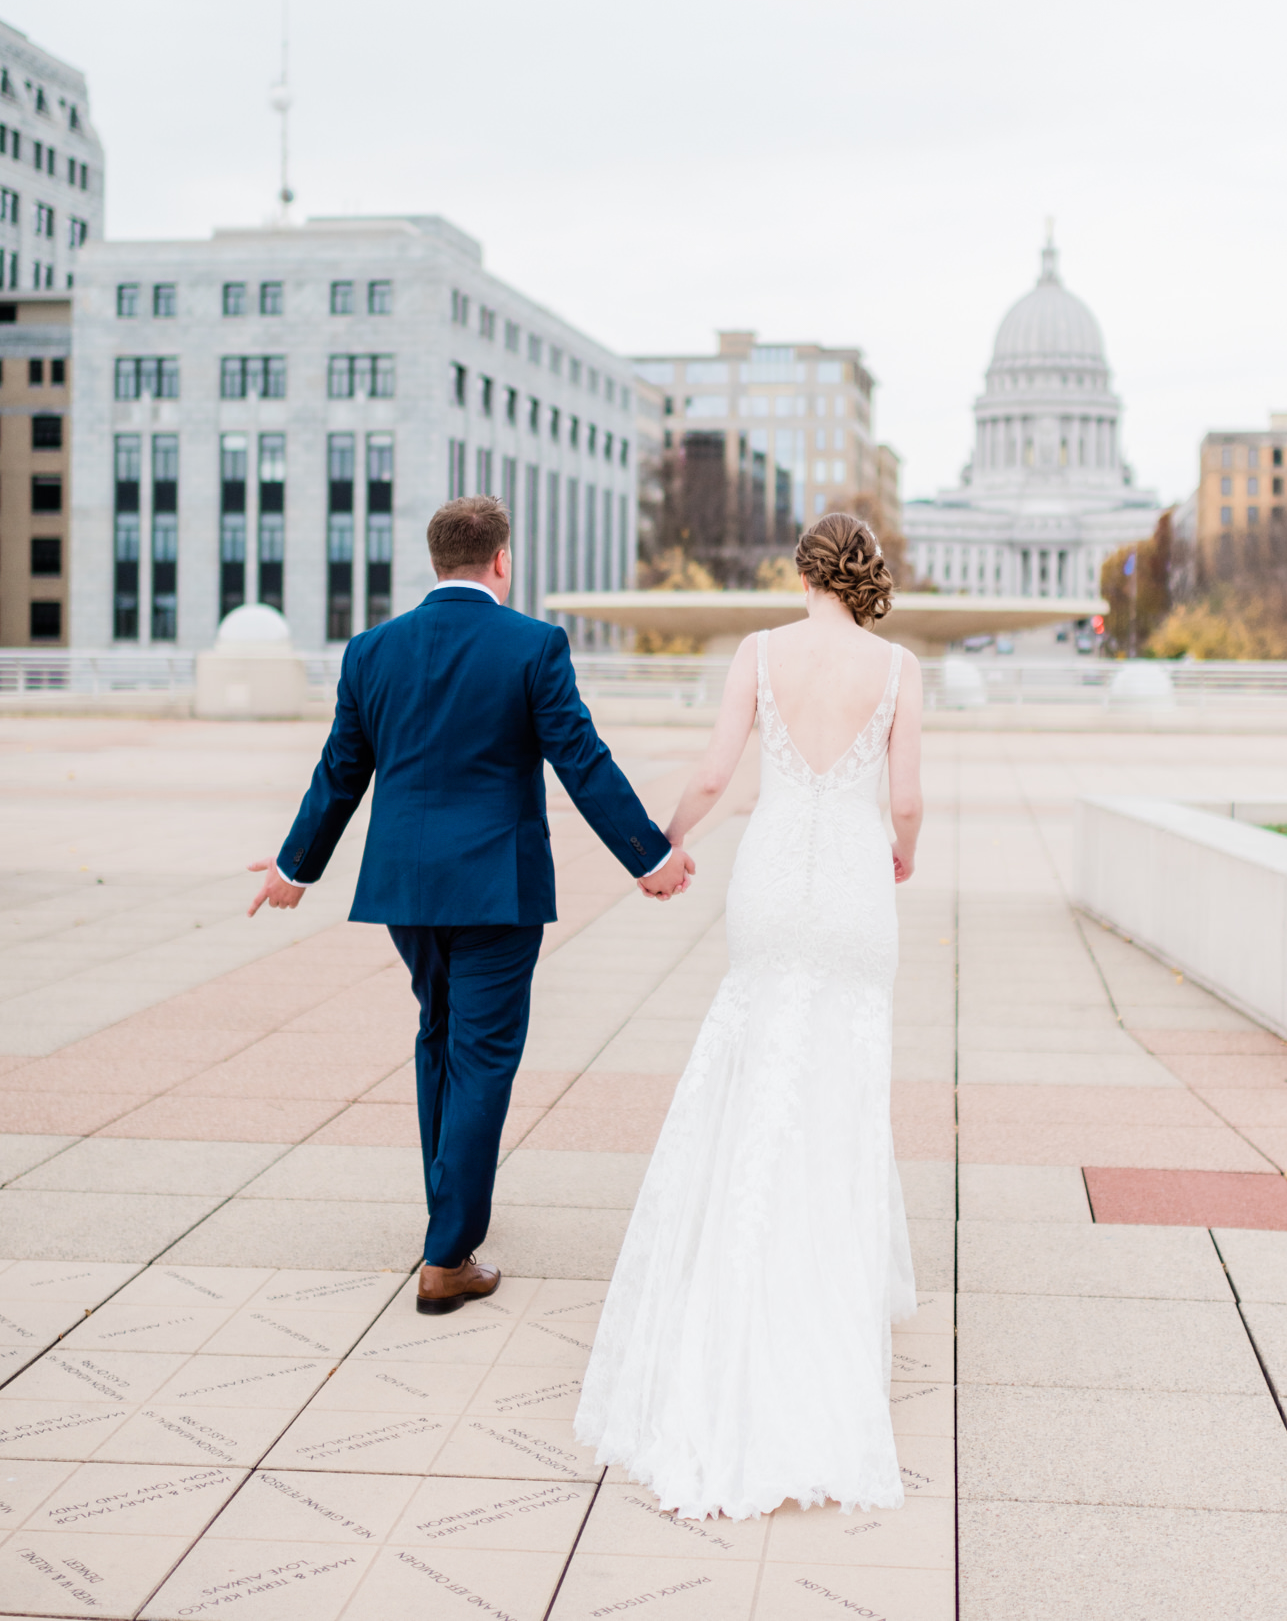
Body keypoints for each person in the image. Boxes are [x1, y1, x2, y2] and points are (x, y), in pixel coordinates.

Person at [246, 495, 695, 1314]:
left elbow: (340, 771)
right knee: (482, 1053)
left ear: (434, 561)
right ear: (502, 560)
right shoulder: (532, 645)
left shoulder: (373, 650)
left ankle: (446, 1212)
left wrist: (293, 867)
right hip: (497, 889)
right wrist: (651, 856)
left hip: (406, 892)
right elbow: (581, 762)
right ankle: (448, 1256)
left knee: (438, 1035)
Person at [575, 510, 923, 1521]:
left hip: (773, 879)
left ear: (803, 573)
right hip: (852, 882)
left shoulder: (760, 653)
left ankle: (737, 1265)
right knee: (842, 1075)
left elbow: (719, 774)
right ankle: (825, 1286)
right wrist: (900, 850)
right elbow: (902, 799)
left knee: (755, 1054)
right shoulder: (899, 667)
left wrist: (664, 844)